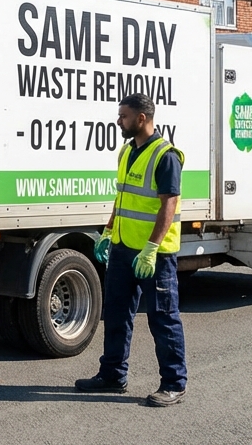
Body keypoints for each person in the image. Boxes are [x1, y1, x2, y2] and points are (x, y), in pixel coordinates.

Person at [75, 92, 188, 406]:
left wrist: (152, 247)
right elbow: (122, 197)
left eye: (123, 116)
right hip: (124, 250)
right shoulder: (127, 151)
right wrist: (108, 232)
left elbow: (169, 205)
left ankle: (174, 384)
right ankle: (112, 375)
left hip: (155, 256)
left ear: (142, 118)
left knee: (163, 319)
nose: (118, 120)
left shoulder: (165, 155)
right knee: (115, 315)